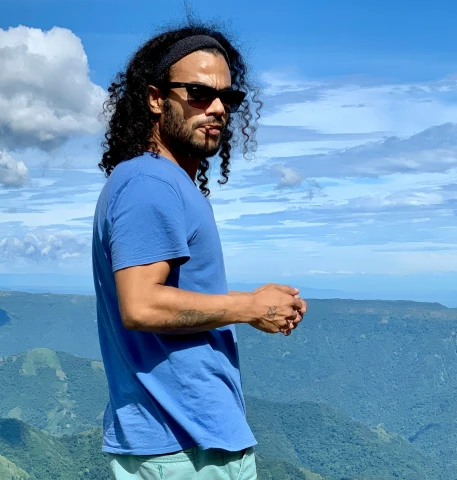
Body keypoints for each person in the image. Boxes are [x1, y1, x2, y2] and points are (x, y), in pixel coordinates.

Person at [91, 21, 308, 480]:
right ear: (155, 98)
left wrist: (255, 303)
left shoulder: (165, 183)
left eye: (227, 98)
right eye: (197, 93)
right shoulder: (149, 183)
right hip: (183, 450)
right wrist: (249, 307)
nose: (216, 109)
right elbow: (141, 304)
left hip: (187, 445)